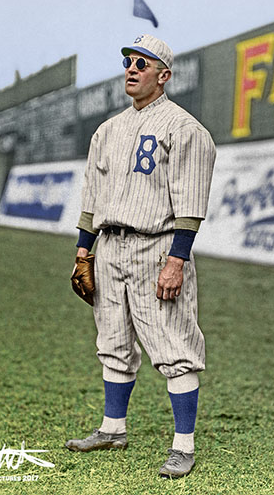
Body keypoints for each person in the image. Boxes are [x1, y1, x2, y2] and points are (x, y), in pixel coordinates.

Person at [66, 34, 216, 479]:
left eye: (141, 63)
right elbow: (92, 197)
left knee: (174, 345)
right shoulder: (107, 130)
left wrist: (177, 260)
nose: (131, 69)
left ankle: (183, 447)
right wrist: (82, 250)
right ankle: (113, 429)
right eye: (128, 61)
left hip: (157, 246)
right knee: (112, 340)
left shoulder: (185, 128)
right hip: (110, 246)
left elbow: (190, 203)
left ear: (163, 75)